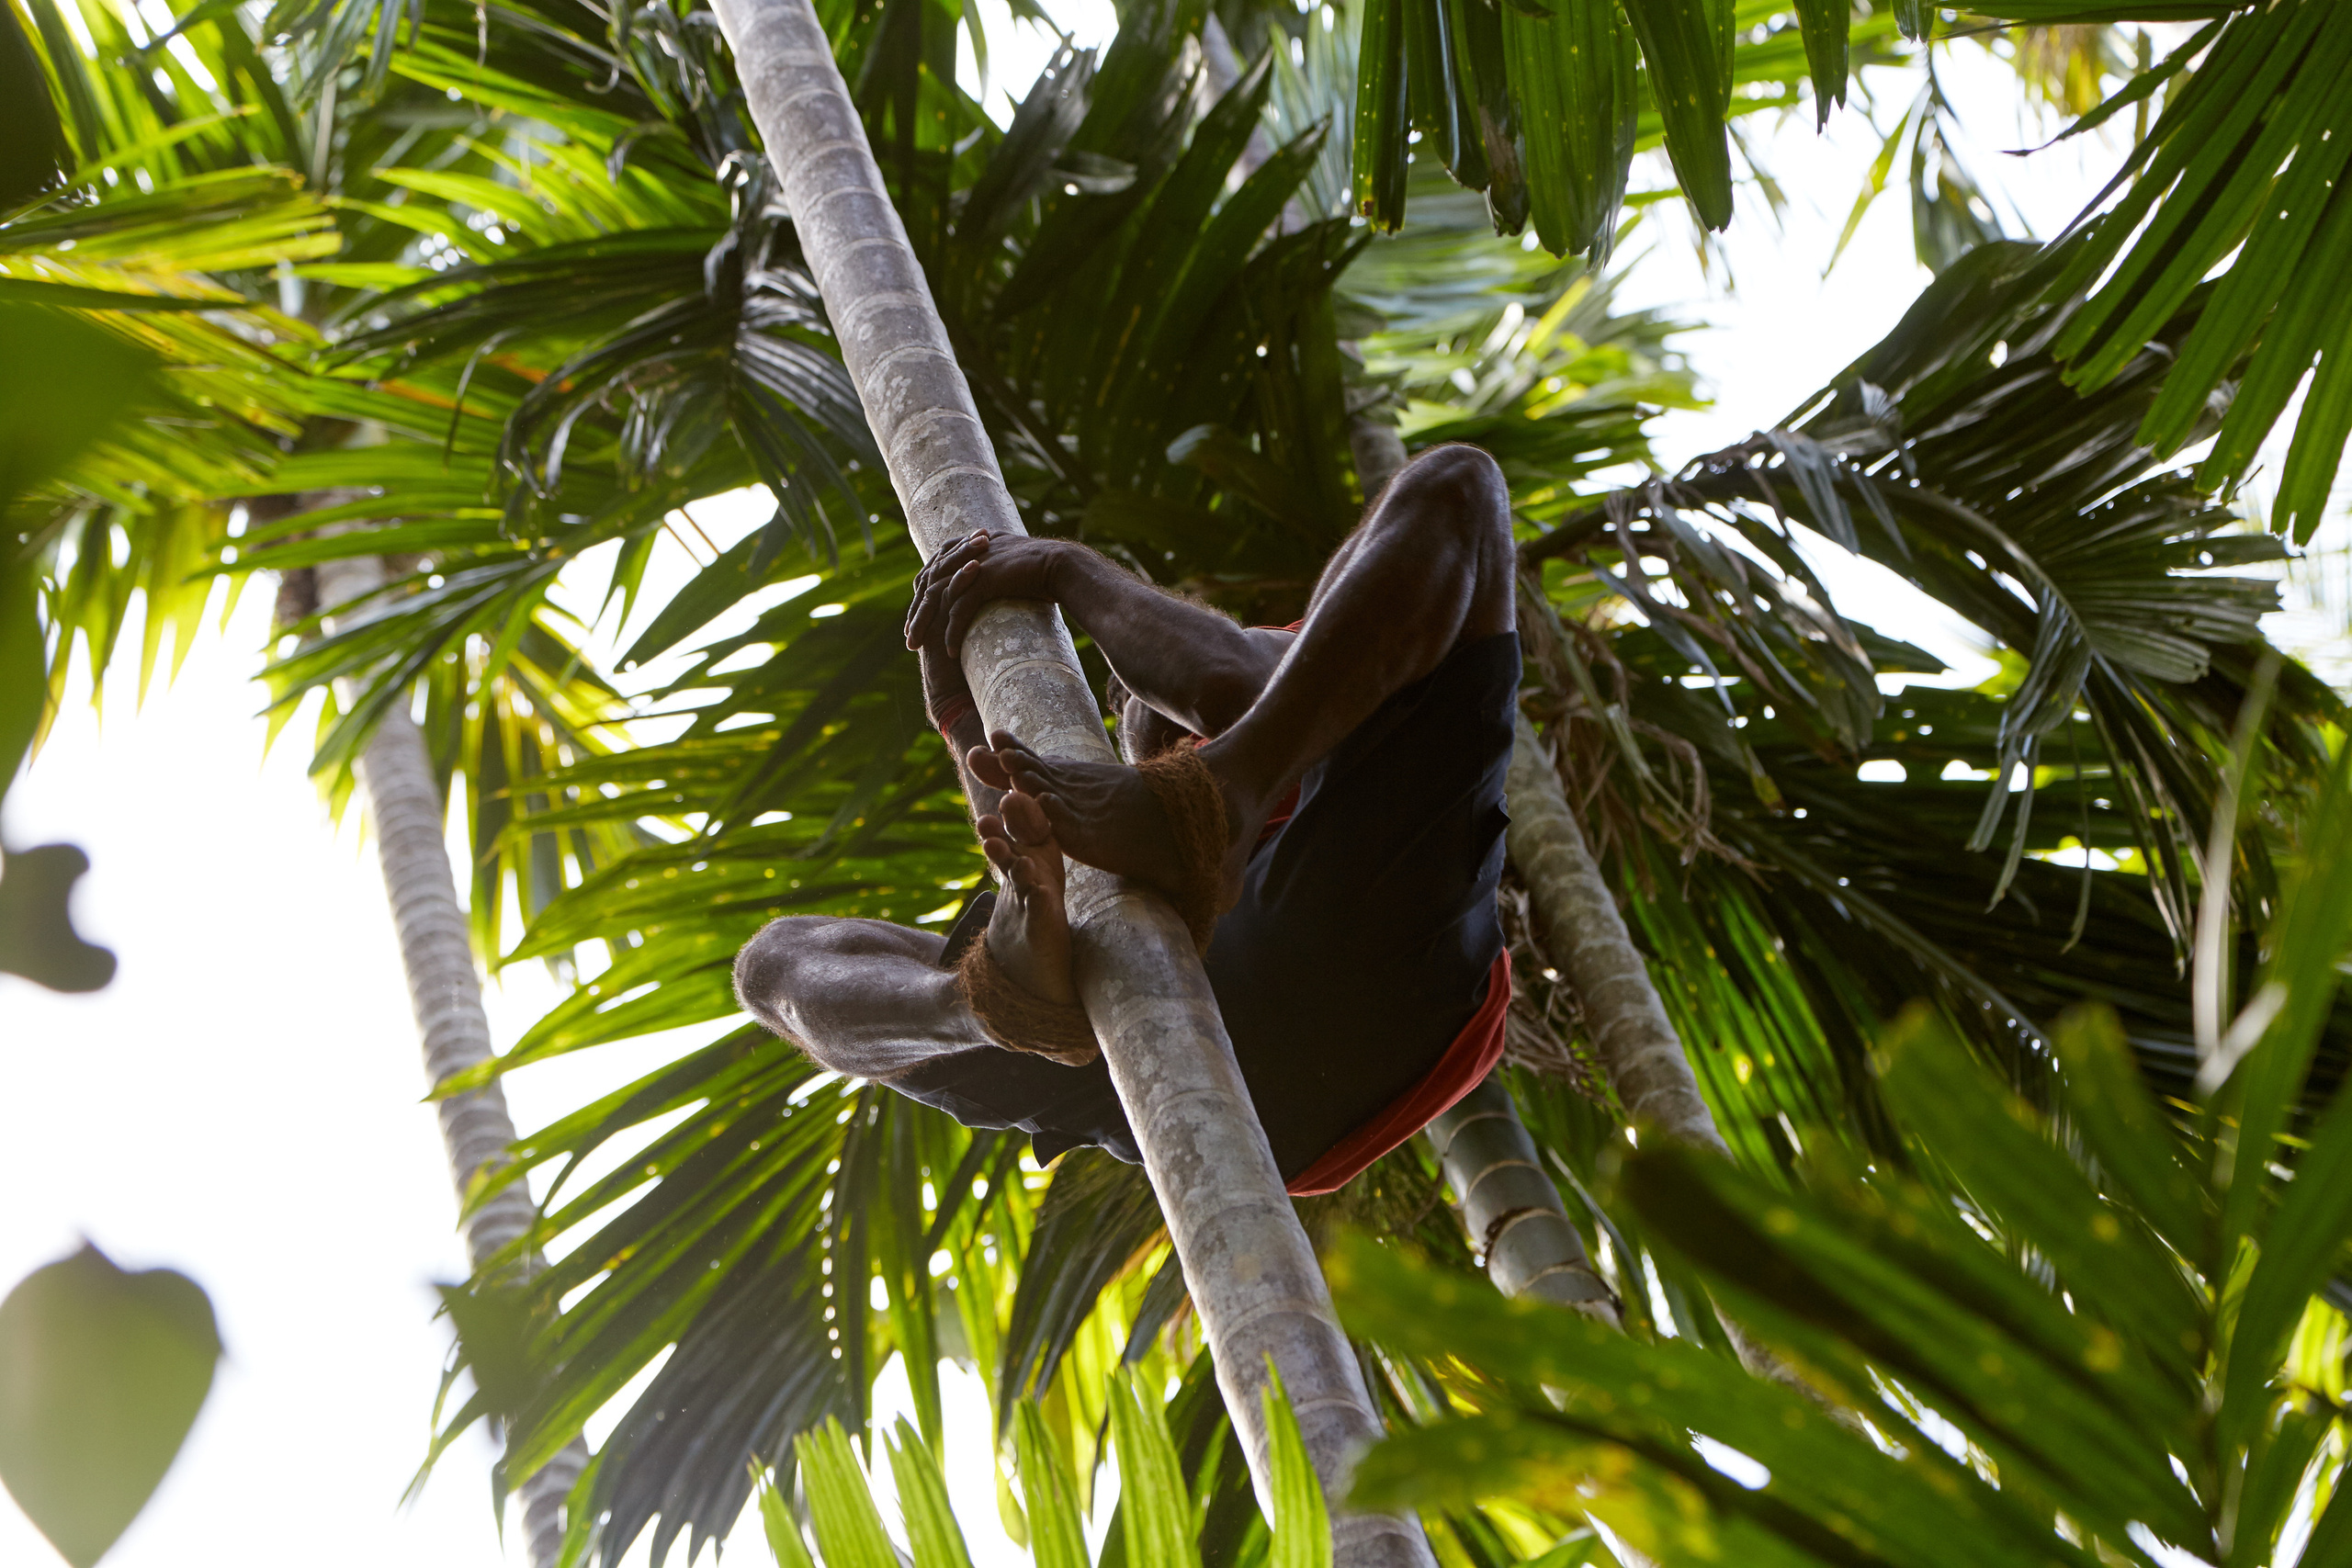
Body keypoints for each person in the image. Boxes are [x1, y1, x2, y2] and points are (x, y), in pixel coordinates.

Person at [731, 444, 1521, 1194]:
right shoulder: (1129, 834)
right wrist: (962, 717)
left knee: (1459, 486)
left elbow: (1233, 675)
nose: (1141, 727)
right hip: (1137, 1042)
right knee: (776, 964)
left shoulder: (1342, 664)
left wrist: (1062, 567)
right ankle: (984, 1007)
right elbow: (1041, 871)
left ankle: (1223, 800)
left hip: (1363, 980)